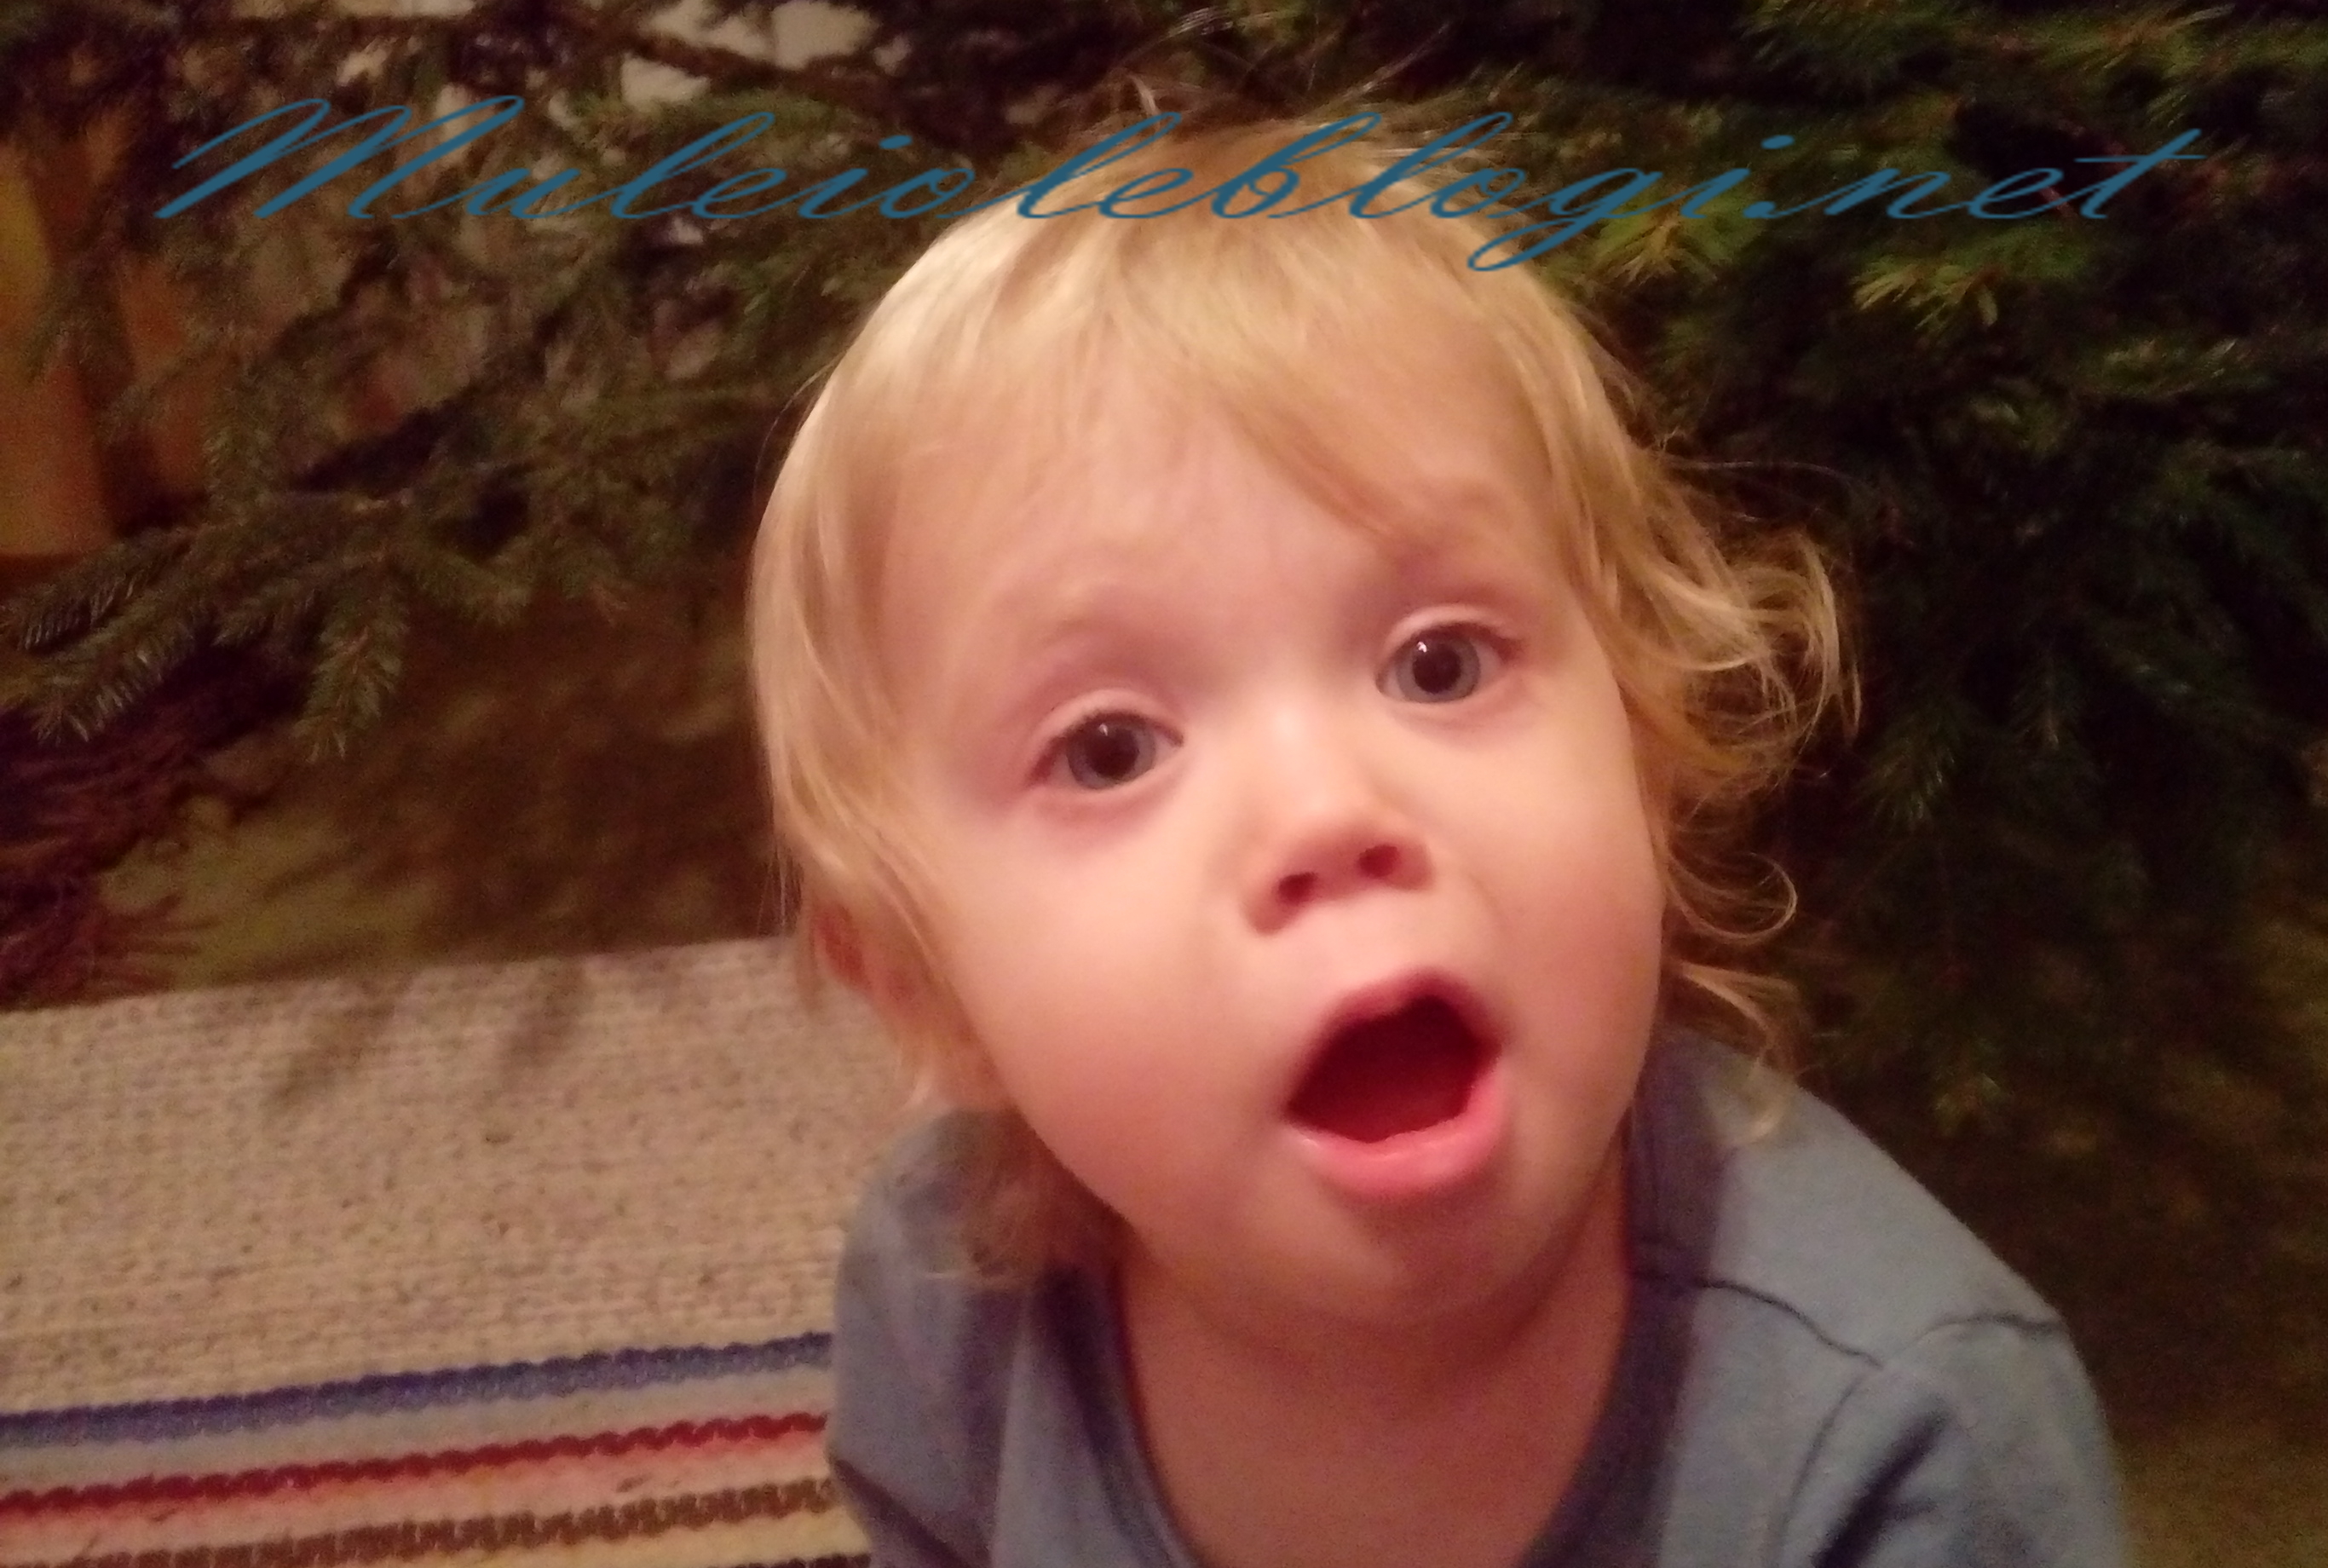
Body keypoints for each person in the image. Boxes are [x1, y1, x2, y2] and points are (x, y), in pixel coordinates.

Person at [746, 110, 2129, 1568]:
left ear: (1648, 744)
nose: (1329, 811)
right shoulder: (945, 1311)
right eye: (1109, 750)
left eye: (1439, 664)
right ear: (926, 988)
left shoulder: (1904, 1440)